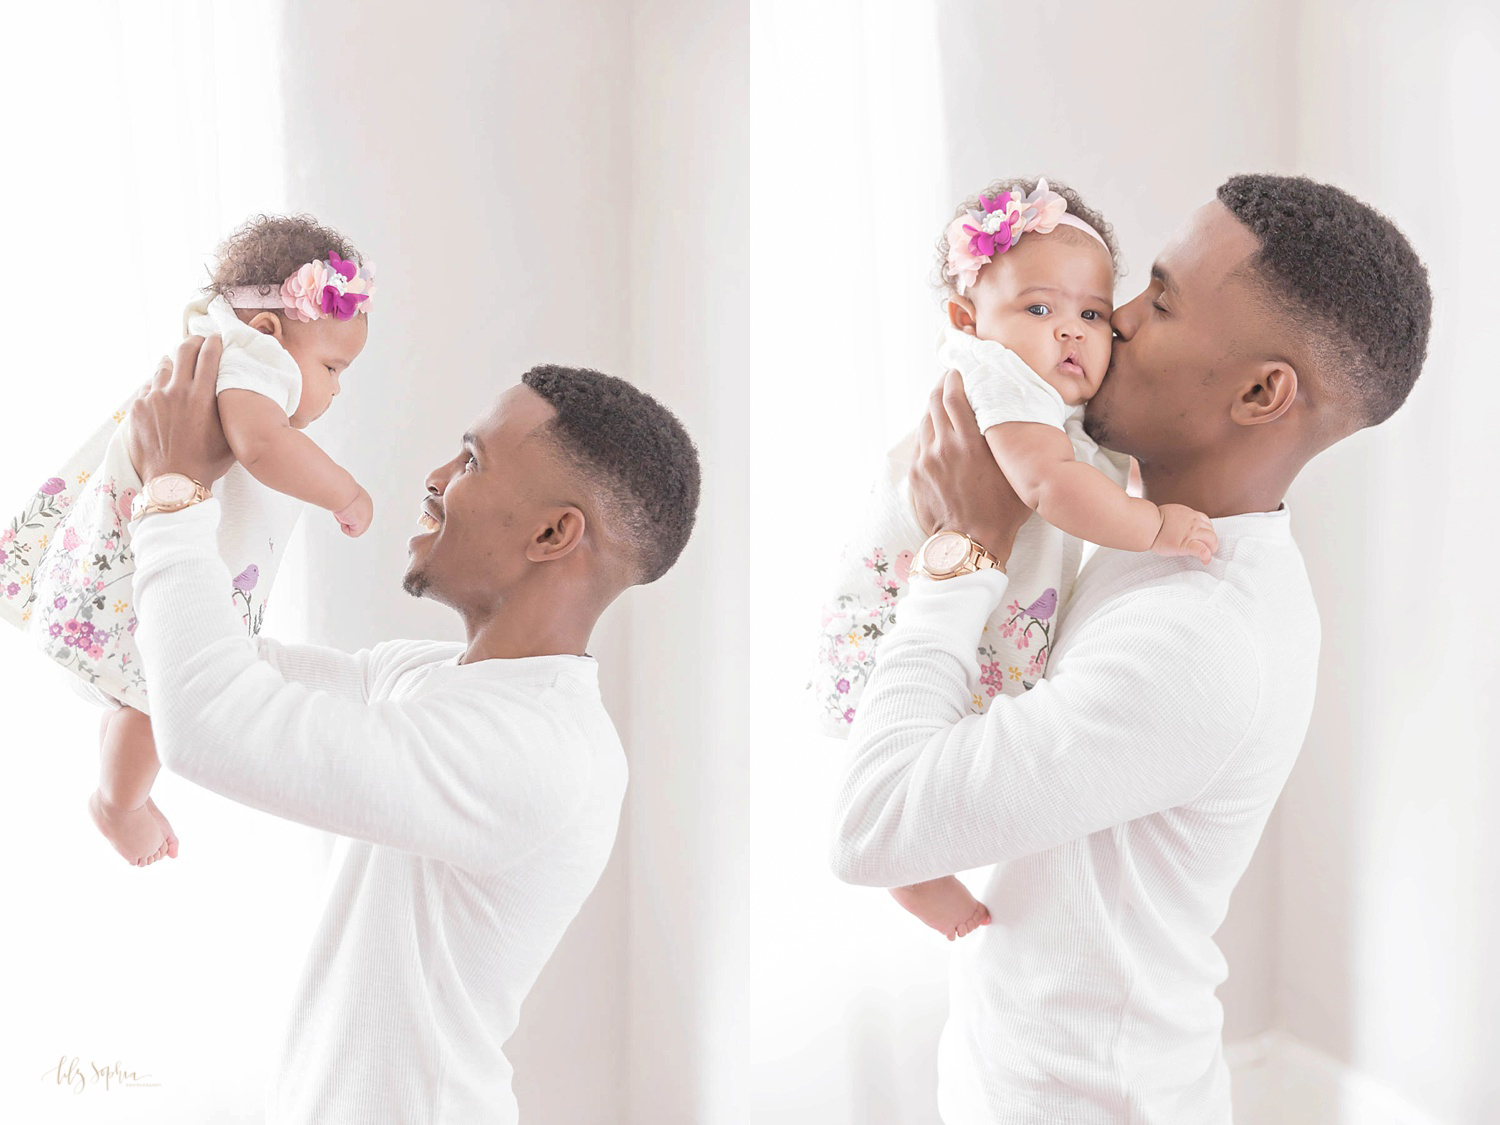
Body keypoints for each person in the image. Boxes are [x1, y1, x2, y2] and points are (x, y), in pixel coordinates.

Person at [829, 173, 1431, 1122]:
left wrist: (965, 543)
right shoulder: (1137, 518)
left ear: (1263, 392)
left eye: (1162, 298)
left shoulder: (1202, 639)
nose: (1115, 318)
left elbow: (869, 828)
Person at [123, 337, 701, 1123]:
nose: (434, 479)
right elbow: (186, 663)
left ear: (553, 535)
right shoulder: (429, 680)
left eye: (470, 461)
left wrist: (175, 489)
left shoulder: (536, 749)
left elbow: (208, 721)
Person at [813, 176, 1216, 942]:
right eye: (1039, 308)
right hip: (910, 594)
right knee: (921, 740)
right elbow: (1050, 481)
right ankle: (913, 868)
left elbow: (1086, 460)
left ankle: (917, 863)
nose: (1072, 332)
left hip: (976, 583)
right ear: (969, 320)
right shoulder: (998, 378)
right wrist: (1156, 522)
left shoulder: (1042, 389)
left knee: (953, 737)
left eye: (1091, 314)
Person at [0, 214, 377, 866]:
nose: (338, 388)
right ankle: (117, 802)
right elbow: (262, 445)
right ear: (271, 330)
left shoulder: (222, 347)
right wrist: (344, 490)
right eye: (333, 366)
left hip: (123, 575)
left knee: (141, 696)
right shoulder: (255, 361)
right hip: (146, 581)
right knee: (156, 698)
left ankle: (121, 797)